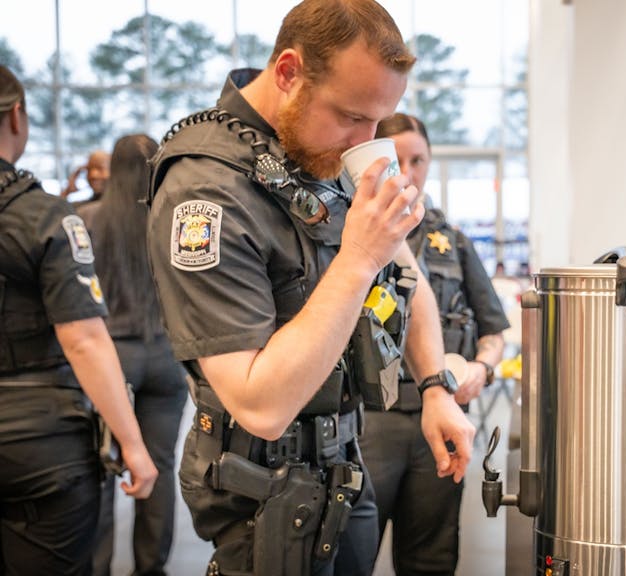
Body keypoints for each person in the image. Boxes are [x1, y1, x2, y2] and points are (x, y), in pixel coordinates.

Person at [144, 2, 476, 575]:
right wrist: (358, 258)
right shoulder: (207, 191)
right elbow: (260, 405)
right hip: (264, 503)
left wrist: (434, 387)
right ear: (289, 72)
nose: (366, 141)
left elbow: (408, 277)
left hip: (344, 473)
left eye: (380, 120)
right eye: (351, 116)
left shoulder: (315, 157)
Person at [0, 65, 157, 575]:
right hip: (39, 436)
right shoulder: (46, 218)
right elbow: (85, 338)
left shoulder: (81, 217)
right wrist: (132, 444)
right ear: (17, 116)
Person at [359, 113, 509, 575]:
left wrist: (481, 369)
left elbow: (494, 333)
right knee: (349, 553)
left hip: (441, 421)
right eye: (395, 159)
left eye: (417, 159)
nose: (407, 171)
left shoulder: (455, 244)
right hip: (369, 426)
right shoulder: (351, 240)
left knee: (431, 558)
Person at [78, 134, 189, 576]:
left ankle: (99, 566)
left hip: (110, 360)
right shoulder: (171, 223)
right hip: (165, 357)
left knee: (104, 467)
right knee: (159, 465)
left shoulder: (86, 221)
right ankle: (151, 567)